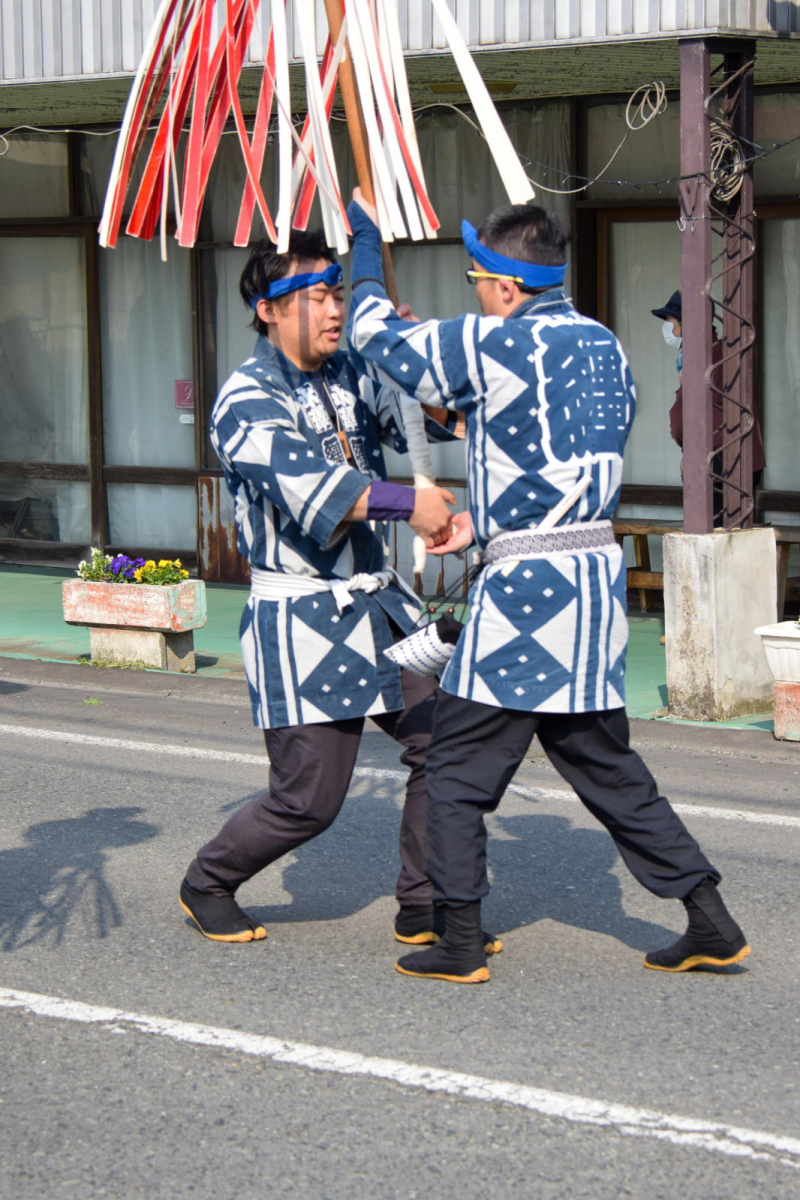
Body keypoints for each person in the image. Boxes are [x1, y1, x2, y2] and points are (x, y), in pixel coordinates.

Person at [347, 194, 750, 983]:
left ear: (503, 284)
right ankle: (710, 918)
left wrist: (366, 241)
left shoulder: (495, 342)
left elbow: (371, 333)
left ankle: (459, 943)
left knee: (456, 776)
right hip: (591, 585)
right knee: (611, 772)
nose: (472, 291)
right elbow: (533, 447)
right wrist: (492, 528)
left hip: (525, 602)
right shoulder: (605, 346)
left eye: (474, 277)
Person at [179, 230, 502, 956]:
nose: (334, 310)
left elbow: (427, 421)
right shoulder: (243, 398)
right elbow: (310, 488)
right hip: (304, 620)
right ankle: (208, 881)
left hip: (383, 608)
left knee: (445, 745)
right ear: (268, 309)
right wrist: (409, 504)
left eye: (338, 294)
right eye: (319, 296)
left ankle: (422, 904)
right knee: (308, 803)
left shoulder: (352, 370)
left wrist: (413, 364)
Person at [651, 289, 765, 524]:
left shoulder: (702, 358)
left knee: (711, 534)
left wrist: (683, 440)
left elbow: (681, 419)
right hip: (740, 457)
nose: (669, 329)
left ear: (688, 323)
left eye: (672, 322)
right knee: (734, 533)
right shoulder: (721, 353)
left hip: (718, 461)